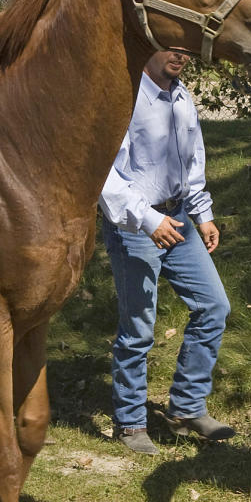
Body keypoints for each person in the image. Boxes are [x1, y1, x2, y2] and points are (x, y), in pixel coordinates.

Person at [99, 49, 236, 455]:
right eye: (172, 47)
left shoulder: (181, 96)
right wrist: (147, 221)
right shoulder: (124, 97)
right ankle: (129, 424)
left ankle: (186, 407)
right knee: (138, 327)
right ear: (149, 46)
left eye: (186, 50)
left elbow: (192, 159)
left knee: (214, 307)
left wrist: (203, 213)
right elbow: (104, 173)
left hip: (179, 218)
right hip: (134, 226)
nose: (182, 55)